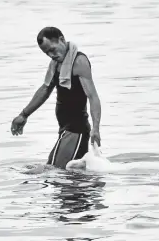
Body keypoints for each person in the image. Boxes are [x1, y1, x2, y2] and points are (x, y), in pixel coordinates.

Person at [11, 26, 102, 169]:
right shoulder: (56, 64)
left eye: (52, 50)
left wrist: (96, 128)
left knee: (51, 171)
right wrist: (24, 114)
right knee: (68, 177)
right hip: (65, 130)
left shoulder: (79, 62)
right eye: (46, 53)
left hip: (75, 131)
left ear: (61, 40)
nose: (51, 55)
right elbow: (45, 89)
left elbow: (93, 96)